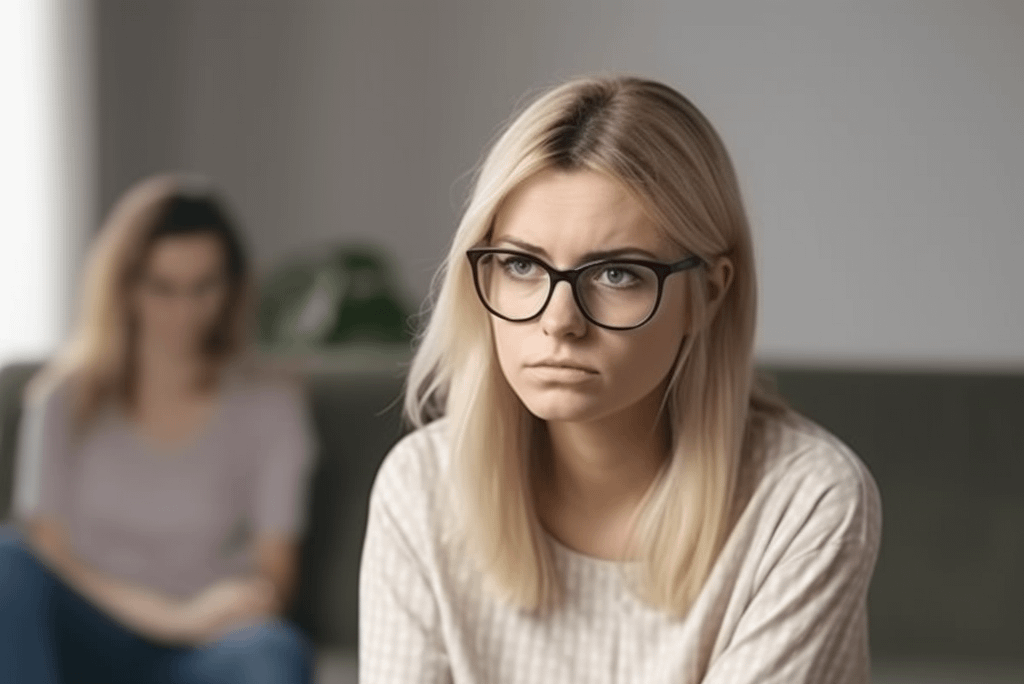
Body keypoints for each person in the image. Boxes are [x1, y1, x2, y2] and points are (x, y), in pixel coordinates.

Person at [359, 76, 882, 683]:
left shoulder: (805, 503)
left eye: (616, 275)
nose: (560, 322)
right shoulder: (422, 488)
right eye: (522, 265)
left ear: (708, 295)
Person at [0, 175, 316, 683]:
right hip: (88, 635)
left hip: (208, 647)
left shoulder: (272, 406)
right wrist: (168, 620)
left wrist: (208, 618)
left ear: (232, 285)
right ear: (124, 286)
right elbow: (44, 551)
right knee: (6, 561)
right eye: (163, 288)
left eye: (203, 287)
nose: (185, 312)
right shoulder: (58, 400)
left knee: (273, 652)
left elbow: (274, 576)